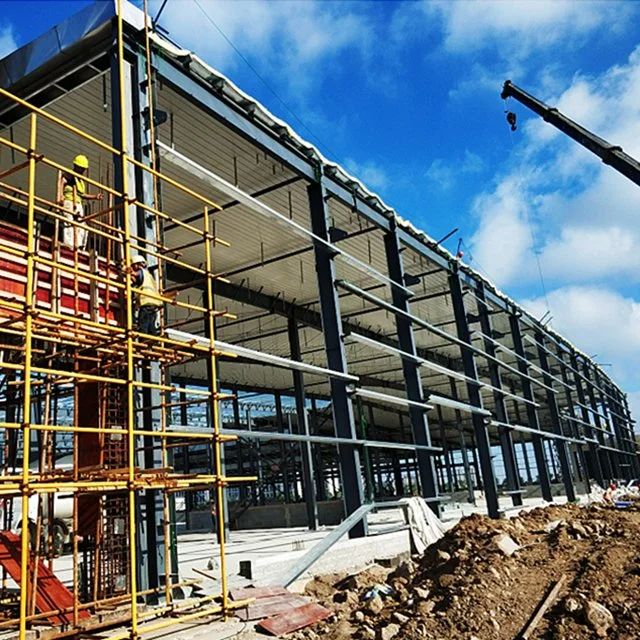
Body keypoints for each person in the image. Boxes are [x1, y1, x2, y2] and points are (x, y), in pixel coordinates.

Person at [57, 155, 102, 249]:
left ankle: (79, 246)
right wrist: (60, 196)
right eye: (81, 168)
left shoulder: (79, 180)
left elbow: (82, 194)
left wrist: (95, 196)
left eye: (83, 169)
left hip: (78, 203)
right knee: (69, 222)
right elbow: (62, 182)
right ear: (76, 166)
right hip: (69, 201)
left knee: (82, 225)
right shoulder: (71, 175)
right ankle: (69, 245)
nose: (82, 171)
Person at [129, 255, 162, 336]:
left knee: (143, 323)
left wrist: (128, 272)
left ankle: (144, 338)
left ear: (138, 264)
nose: (133, 268)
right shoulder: (149, 276)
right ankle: (153, 338)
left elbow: (136, 274)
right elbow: (137, 280)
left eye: (133, 266)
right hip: (154, 304)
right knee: (151, 324)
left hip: (146, 303)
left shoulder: (142, 271)